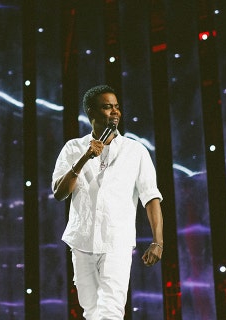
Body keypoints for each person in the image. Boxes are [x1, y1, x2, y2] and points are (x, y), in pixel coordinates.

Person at [51, 85, 164, 319]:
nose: (115, 112)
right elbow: (59, 193)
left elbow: (151, 197)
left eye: (116, 106)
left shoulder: (135, 151)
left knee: (111, 310)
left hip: (117, 242)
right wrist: (84, 158)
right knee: (91, 311)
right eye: (107, 107)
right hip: (82, 241)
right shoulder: (73, 148)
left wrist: (158, 241)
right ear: (91, 112)